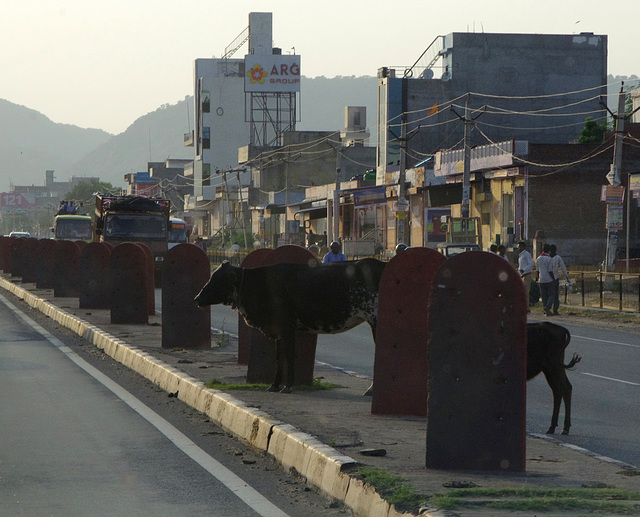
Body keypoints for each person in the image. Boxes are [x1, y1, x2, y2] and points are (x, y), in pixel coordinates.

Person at [536, 243, 556, 317]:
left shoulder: (538, 258)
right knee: (552, 294)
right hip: (548, 279)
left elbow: (537, 270)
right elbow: (550, 270)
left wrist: (538, 278)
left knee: (544, 295)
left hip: (541, 279)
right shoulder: (549, 259)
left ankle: (545, 309)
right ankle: (548, 307)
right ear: (549, 250)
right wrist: (553, 279)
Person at [549, 244, 570, 315]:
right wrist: (567, 276)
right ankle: (555, 310)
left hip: (548, 279)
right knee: (555, 295)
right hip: (555, 278)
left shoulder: (547, 258)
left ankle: (547, 308)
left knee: (549, 294)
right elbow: (563, 268)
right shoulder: (558, 258)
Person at [517, 241, 533, 311]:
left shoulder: (526, 254)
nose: (518, 248)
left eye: (520, 246)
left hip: (527, 275)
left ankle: (527, 308)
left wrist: (524, 269)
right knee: (521, 292)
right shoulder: (520, 255)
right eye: (518, 246)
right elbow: (521, 266)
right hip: (522, 275)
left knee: (526, 292)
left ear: (523, 247)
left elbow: (530, 264)